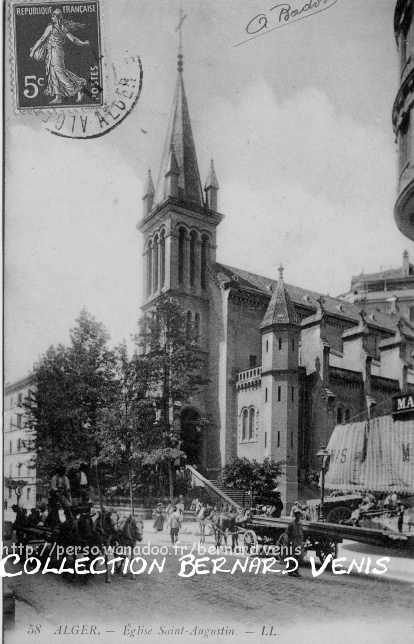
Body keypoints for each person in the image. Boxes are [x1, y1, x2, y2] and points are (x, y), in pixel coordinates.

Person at [29, 8, 90, 104]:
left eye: (53, 16)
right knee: (53, 73)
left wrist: (33, 51)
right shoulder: (62, 28)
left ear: (57, 17)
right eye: (52, 15)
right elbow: (73, 39)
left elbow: (42, 39)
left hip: (56, 52)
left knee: (59, 72)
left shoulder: (53, 28)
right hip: (52, 52)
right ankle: (58, 97)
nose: (52, 17)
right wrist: (83, 43)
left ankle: (78, 88)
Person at [287, 510, 304, 577]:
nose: (298, 516)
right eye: (297, 514)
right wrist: (289, 541)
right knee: (292, 557)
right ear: (295, 515)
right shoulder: (291, 524)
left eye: (299, 515)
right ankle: (290, 571)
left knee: (298, 557)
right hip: (293, 541)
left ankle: (296, 571)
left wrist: (302, 541)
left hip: (298, 542)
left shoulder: (300, 524)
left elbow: (301, 533)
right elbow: (287, 533)